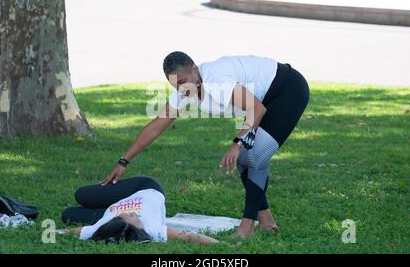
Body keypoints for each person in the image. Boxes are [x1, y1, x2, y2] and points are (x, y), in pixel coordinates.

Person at [101, 52, 310, 238]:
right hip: (261, 102)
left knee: (254, 157)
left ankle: (246, 227)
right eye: (175, 85)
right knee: (245, 161)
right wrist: (124, 160)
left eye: (183, 82)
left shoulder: (217, 79)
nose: (181, 89)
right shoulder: (186, 88)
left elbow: (257, 109)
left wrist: (236, 143)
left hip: (287, 90)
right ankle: (267, 222)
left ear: (194, 69)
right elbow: (156, 125)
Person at [60, 176, 220, 245]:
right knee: (80, 198)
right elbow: (191, 237)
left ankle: (104, 202)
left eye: (128, 215)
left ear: (115, 221)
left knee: (68, 214)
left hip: (120, 201)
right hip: (145, 188)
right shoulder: (153, 230)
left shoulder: (100, 228)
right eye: (135, 217)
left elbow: (63, 232)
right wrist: (227, 246)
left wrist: (49, 233)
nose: (132, 212)